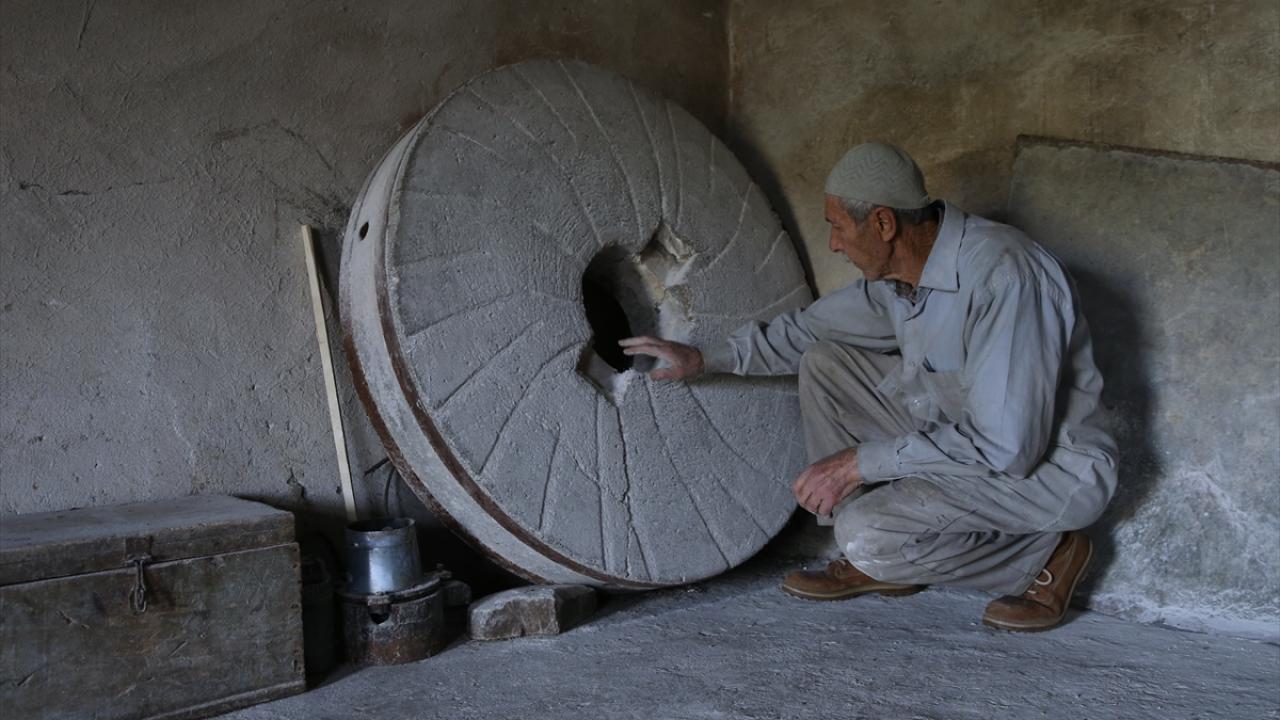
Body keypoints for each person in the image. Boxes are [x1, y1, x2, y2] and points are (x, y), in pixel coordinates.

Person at [618, 142, 1117, 632]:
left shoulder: (1005, 279)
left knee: (865, 533)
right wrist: (704, 358)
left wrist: (861, 463)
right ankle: (887, 564)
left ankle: (1045, 554)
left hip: (1047, 472)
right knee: (825, 363)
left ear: (883, 223)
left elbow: (1008, 448)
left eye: (837, 226)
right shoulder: (903, 279)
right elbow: (811, 332)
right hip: (965, 441)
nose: (834, 243)